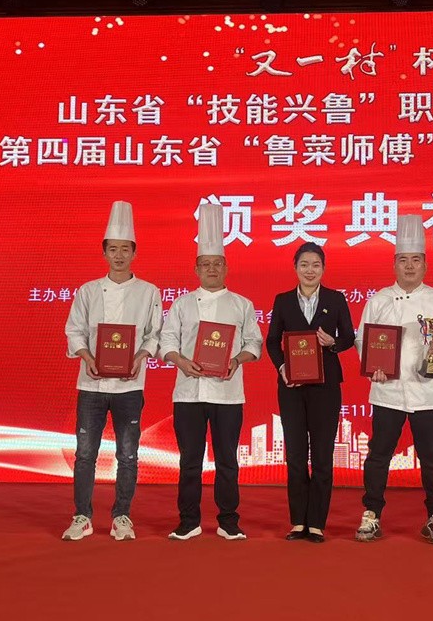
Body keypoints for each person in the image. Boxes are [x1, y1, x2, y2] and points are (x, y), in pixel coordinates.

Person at [354, 214, 433, 546]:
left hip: (428, 391)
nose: (409, 266)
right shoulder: (379, 300)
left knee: (431, 456)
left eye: (415, 260)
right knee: (379, 454)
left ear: (425, 265)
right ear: (394, 264)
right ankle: (371, 514)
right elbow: (362, 339)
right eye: (403, 260)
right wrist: (372, 366)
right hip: (387, 390)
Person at [158, 203, 263, 541]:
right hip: (188, 393)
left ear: (226, 267)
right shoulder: (182, 304)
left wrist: (236, 360)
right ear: (196, 268)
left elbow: (254, 343)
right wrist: (180, 360)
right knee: (190, 460)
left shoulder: (242, 304)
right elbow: (166, 341)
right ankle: (188, 521)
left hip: (228, 394)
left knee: (227, 460)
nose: (212, 269)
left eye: (218, 263)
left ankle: (228, 521)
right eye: (206, 264)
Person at [61, 201, 162, 542]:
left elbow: (154, 333)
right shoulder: (88, 291)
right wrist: (87, 355)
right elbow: (74, 330)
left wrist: (141, 355)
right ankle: (82, 516)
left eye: (125, 249)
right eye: (113, 249)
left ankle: (122, 516)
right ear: (104, 253)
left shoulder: (149, 292)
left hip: (130, 387)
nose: (119, 255)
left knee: (128, 454)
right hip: (91, 384)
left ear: (134, 253)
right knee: (85, 454)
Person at [266, 242, 355, 543]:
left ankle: (316, 523)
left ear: (323, 268)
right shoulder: (282, 301)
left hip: (325, 387)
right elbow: (272, 341)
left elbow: (349, 337)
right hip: (291, 387)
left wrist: (333, 343)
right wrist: (282, 367)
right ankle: (297, 521)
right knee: (294, 455)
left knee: (322, 455)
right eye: (304, 264)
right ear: (295, 267)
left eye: (316, 264)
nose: (310, 270)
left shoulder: (335, 299)